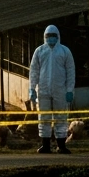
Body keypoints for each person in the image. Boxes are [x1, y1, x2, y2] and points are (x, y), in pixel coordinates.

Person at [29, 25, 76, 154]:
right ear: (44, 37)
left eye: (53, 36)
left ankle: (61, 145)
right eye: (48, 37)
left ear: (58, 37)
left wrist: (70, 90)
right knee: (44, 118)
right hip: (43, 90)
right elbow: (34, 71)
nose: (51, 39)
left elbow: (70, 72)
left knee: (61, 117)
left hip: (60, 91)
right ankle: (45, 145)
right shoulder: (39, 51)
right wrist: (32, 88)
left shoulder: (65, 52)